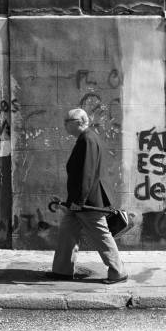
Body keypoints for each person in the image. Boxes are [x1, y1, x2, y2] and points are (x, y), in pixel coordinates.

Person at [48, 108, 128, 284]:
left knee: (101, 234)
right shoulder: (85, 139)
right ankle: (62, 270)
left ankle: (118, 271)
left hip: (88, 201)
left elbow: (87, 173)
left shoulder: (88, 140)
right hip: (78, 201)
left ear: (78, 123)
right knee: (67, 231)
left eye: (66, 122)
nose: (64, 125)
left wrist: (79, 201)